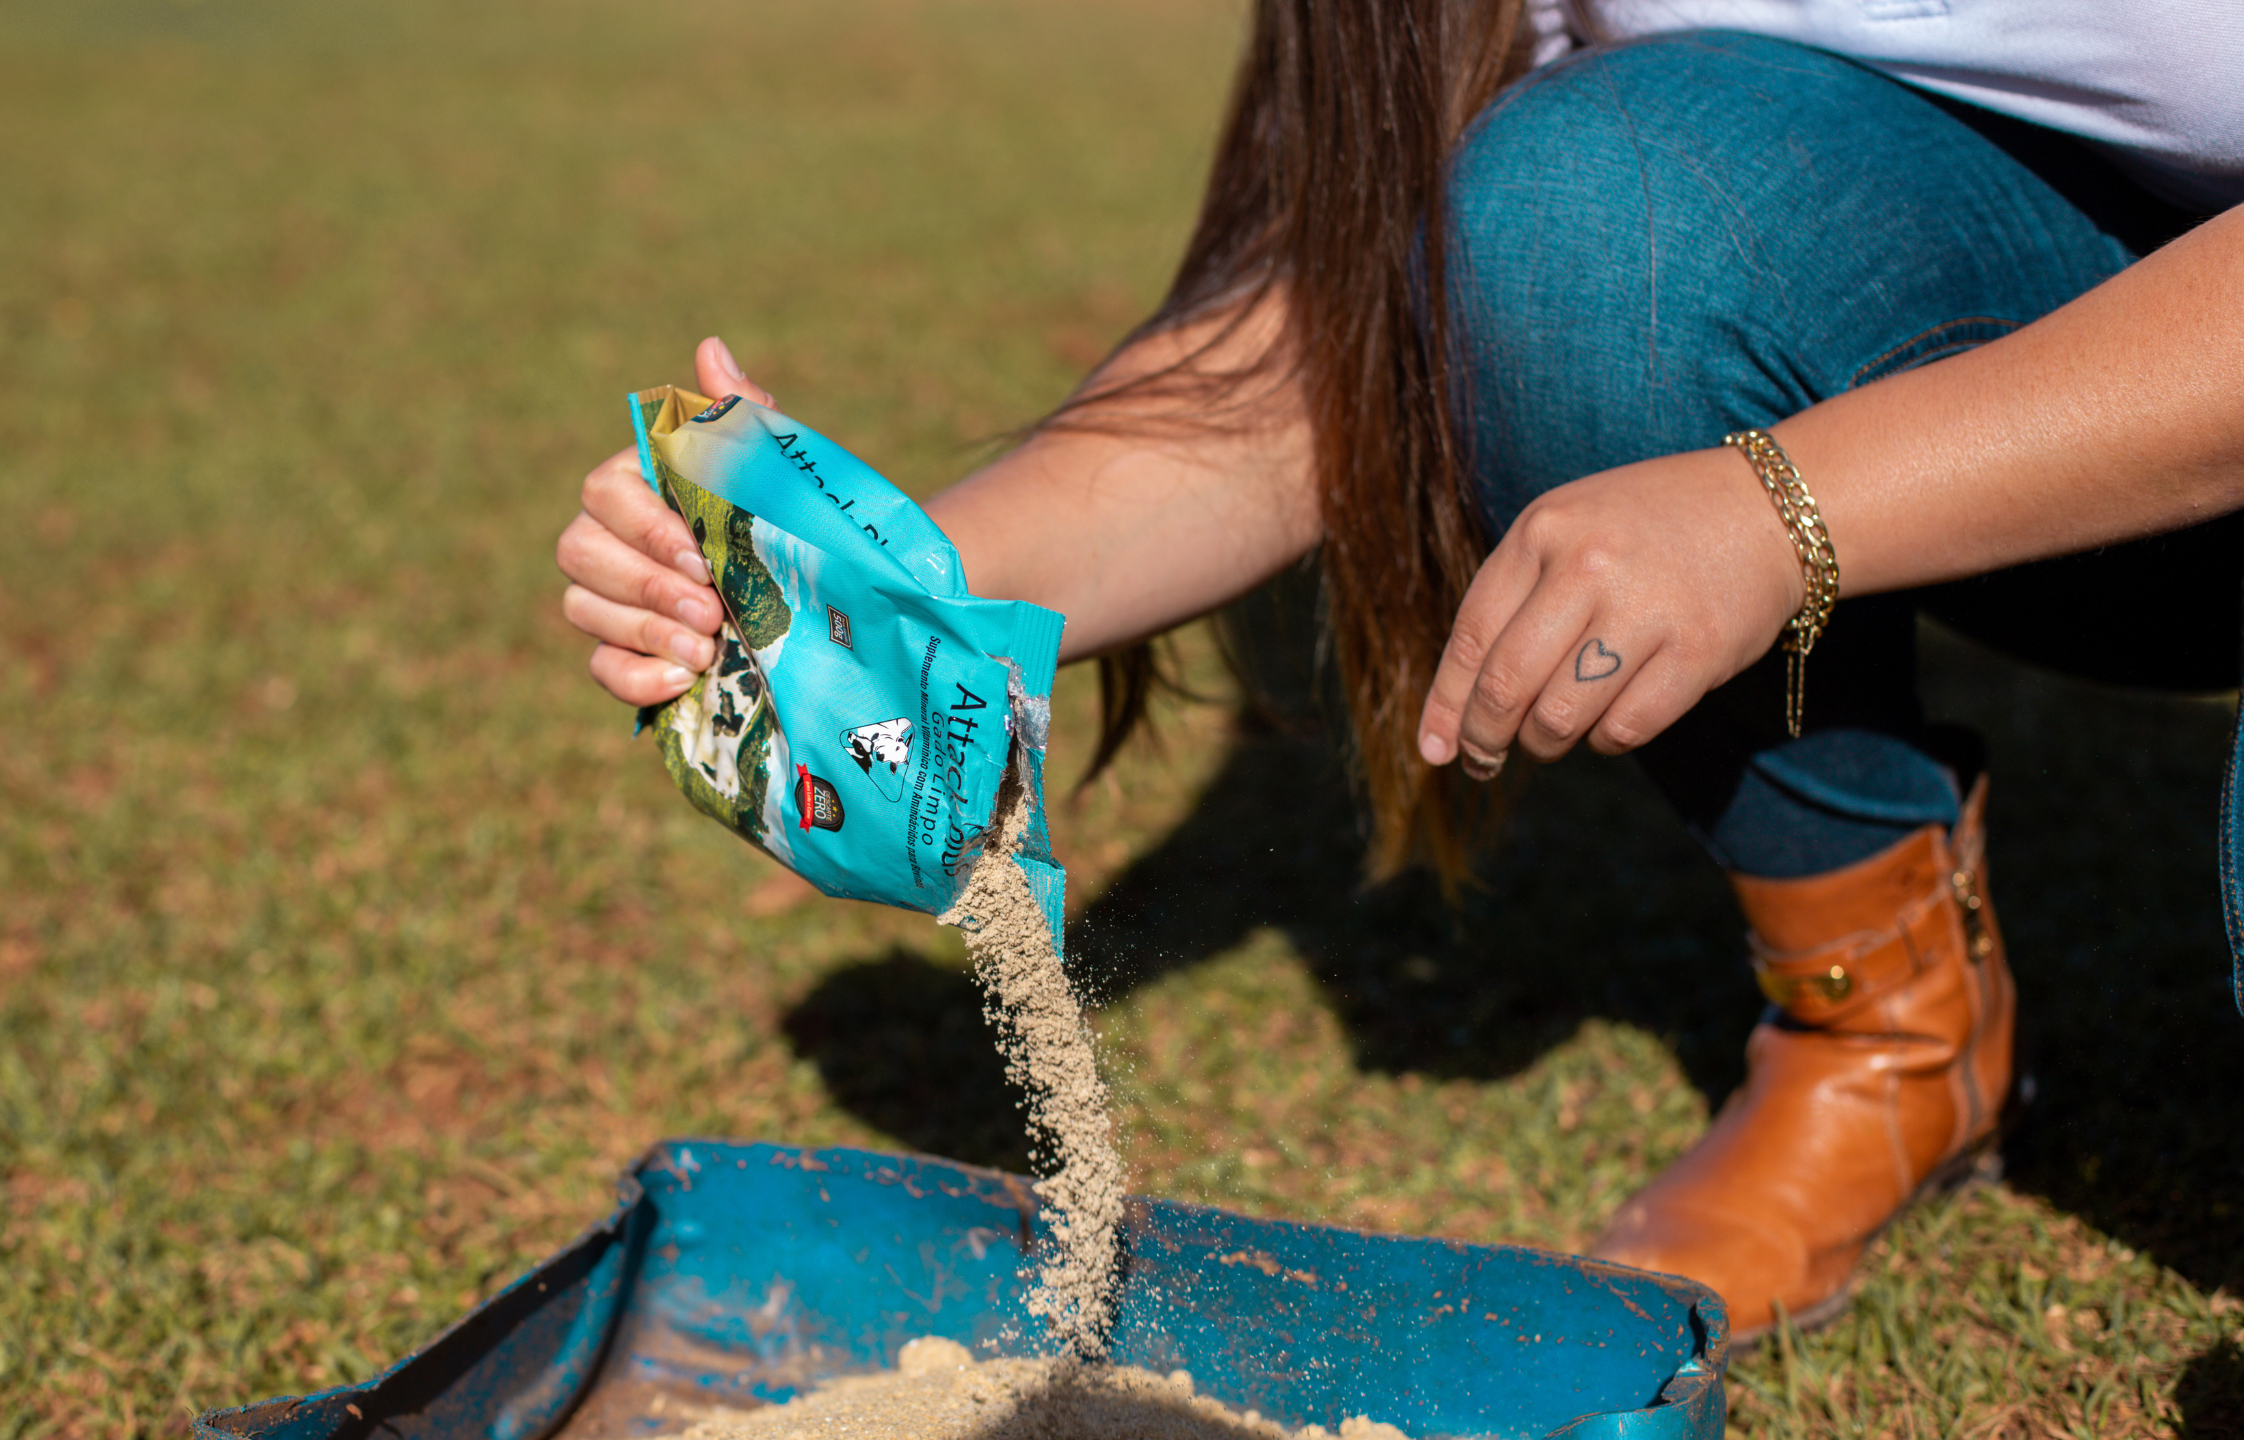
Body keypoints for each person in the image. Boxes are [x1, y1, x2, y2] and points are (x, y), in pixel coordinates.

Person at [556, 0, 2244, 1340]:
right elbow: (1334, 327)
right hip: (2020, 423)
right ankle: (1885, 1033)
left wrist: (1782, 510)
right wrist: (881, 591)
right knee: (1580, 221)